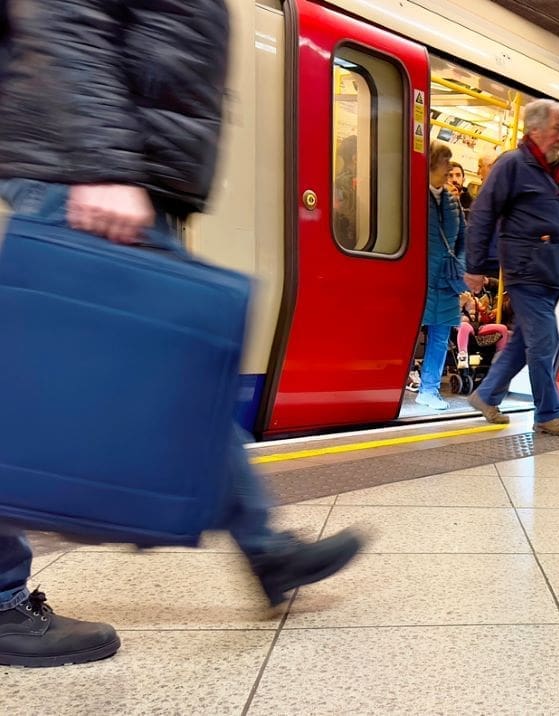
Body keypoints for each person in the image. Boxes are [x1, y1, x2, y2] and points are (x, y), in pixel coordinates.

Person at [0, 0, 362, 668]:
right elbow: (65, 15)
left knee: (182, 374)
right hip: (82, 160)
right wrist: (99, 162)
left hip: (114, 160)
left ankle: (266, 550)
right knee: (31, 382)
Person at [463, 99, 559, 436]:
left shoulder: (552, 172)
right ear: (535, 129)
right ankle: (547, 413)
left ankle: (486, 395)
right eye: (557, 129)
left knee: (524, 343)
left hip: (551, 274)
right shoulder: (513, 165)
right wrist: (474, 266)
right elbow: (483, 213)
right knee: (544, 342)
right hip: (527, 271)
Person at [418, 142, 469, 410]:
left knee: (440, 335)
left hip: (445, 279)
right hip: (419, 278)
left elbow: (462, 240)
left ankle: (429, 389)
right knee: (409, 333)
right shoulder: (413, 194)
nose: (449, 173)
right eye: (444, 166)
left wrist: (459, 270)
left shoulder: (452, 202)